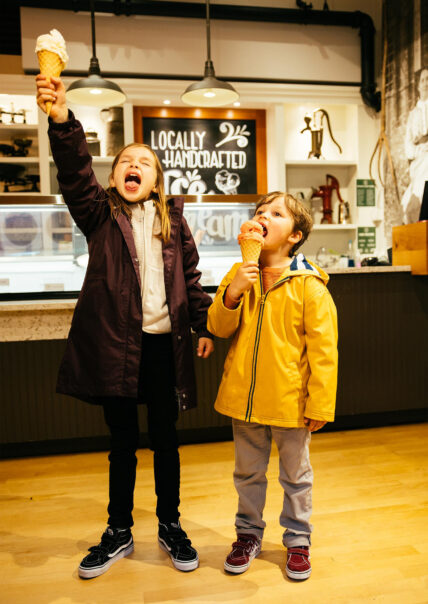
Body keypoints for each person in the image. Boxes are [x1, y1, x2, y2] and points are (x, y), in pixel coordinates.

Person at [35, 74, 214, 579]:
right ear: (113, 177)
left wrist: (201, 327)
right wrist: (61, 120)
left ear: (157, 181)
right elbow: (73, 172)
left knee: (166, 440)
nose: (134, 167)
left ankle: (170, 525)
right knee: (121, 444)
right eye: (125, 162)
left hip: (164, 348)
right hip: (116, 347)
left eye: (145, 164)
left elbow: (192, 279)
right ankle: (118, 530)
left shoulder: (174, 224)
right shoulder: (98, 214)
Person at [207, 192, 338, 581]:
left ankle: (298, 540)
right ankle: (247, 535)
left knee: (296, 476)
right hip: (244, 402)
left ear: (294, 236)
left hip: (290, 403)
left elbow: (324, 351)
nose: (263, 216)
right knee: (247, 475)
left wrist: (320, 404)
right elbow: (218, 326)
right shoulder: (239, 273)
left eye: (275, 214)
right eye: (259, 211)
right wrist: (233, 293)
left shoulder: (309, 286)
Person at [401, 66, 428, 224]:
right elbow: (410, 142)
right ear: (418, 85)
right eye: (423, 80)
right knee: (417, 194)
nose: (425, 83)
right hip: (419, 158)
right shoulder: (414, 114)